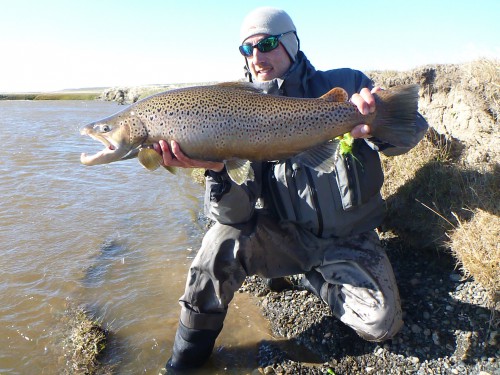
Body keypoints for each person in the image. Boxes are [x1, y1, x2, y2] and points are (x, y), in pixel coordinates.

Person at [157, 7, 428, 371]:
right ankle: (184, 360)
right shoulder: (232, 113)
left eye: (267, 44)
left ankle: (313, 278)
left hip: (347, 238)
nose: (256, 56)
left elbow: (411, 131)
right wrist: (217, 171)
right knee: (216, 244)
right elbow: (236, 217)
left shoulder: (346, 83)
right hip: (283, 236)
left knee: (381, 325)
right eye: (246, 49)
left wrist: (376, 119)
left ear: (291, 44)